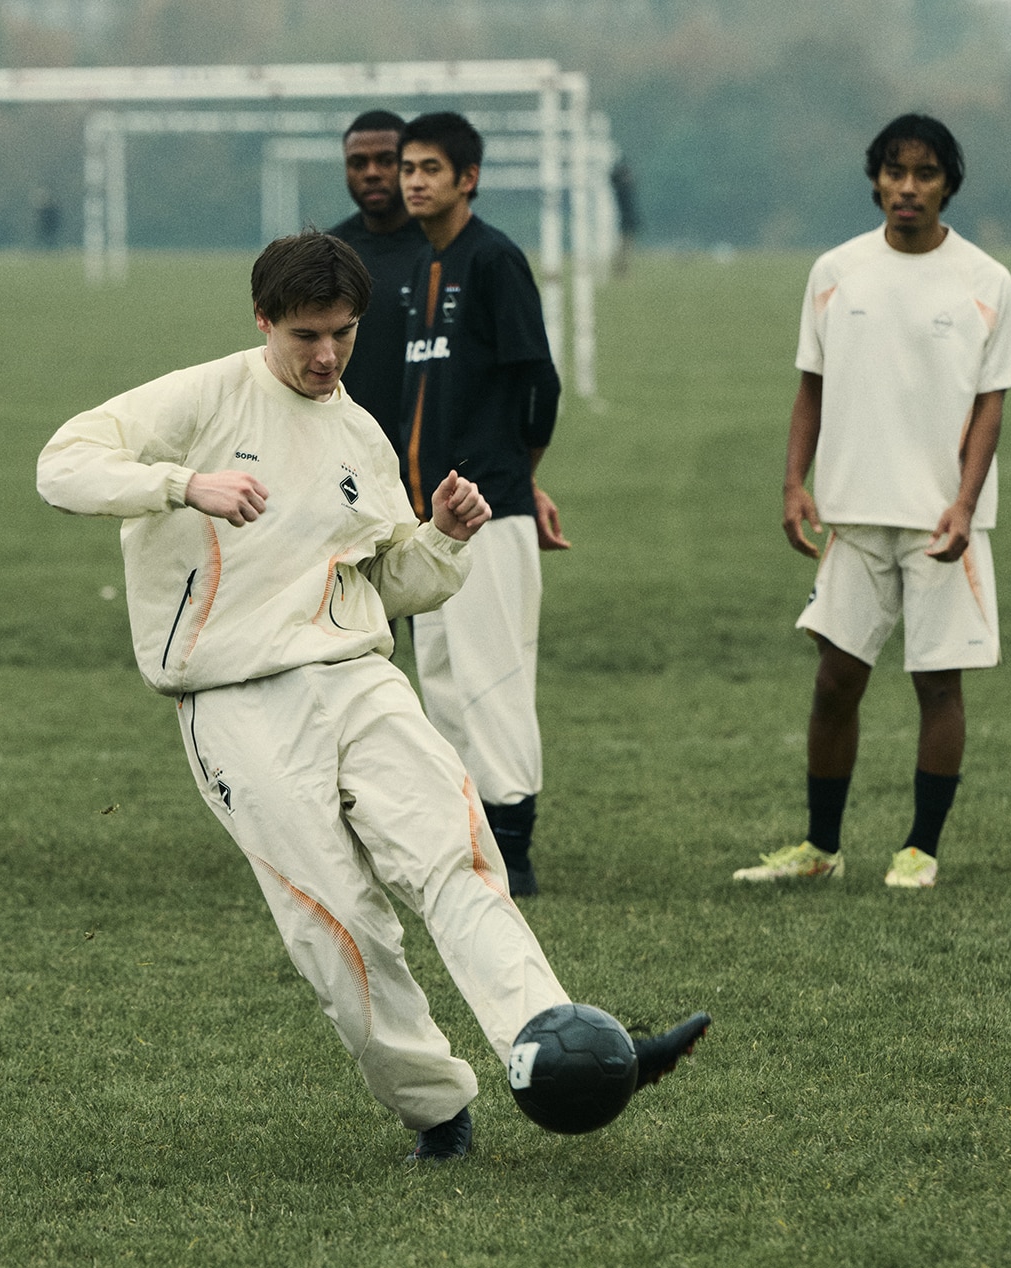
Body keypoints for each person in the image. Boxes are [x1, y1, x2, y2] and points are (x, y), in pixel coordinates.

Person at [35, 231, 706, 1161]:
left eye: (343, 334)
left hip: (358, 678)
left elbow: (386, 584)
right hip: (235, 700)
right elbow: (61, 465)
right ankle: (437, 1108)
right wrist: (185, 486)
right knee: (342, 923)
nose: (326, 356)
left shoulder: (360, 433)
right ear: (263, 320)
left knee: (456, 854)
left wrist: (442, 538)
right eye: (306, 335)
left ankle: (562, 1050)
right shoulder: (204, 397)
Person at [732, 114, 1011, 891]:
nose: (908, 187)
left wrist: (964, 503)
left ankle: (920, 849)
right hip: (854, 514)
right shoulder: (836, 271)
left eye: (925, 173)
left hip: (942, 521)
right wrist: (794, 484)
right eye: (895, 171)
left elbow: (991, 407)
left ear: (947, 185)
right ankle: (821, 849)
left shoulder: (987, 281)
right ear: (875, 180)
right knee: (836, 680)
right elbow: (811, 386)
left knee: (938, 683)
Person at [393, 111, 567, 898]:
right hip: (430, 520)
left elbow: (539, 382)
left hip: (488, 510)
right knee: (442, 677)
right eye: (409, 168)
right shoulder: (422, 265)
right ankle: (469, 837)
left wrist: (516, 478)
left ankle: (514, 848)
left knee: (492, 677)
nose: (415, 181)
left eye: (430, 168)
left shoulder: (494, 259)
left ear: (468, 179)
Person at [325, 109, 430, 441]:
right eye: (358, 163)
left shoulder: (445, 249)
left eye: (386, 161)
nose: (371, 173)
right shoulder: (326, 254)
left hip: (431, 453)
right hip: (346, 447)